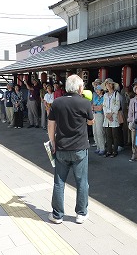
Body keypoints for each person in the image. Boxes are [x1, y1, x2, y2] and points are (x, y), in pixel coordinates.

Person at [47, 74, 94, 224]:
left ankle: (57, 215)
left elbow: (50, 125)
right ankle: (81, 213)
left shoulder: (57, 102)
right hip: (80, 148)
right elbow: (91, 122)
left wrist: (52, 141)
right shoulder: (84, 103)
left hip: (61, 147)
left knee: (59, 182)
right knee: (82, 182)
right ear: (80, 88)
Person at [102, 78, 121, 157]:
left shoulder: (116, 94)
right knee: (108, 135)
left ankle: (115, 151)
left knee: (115, 135)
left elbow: (117, 105)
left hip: (114, 116)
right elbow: (104, 106)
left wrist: (111, 114)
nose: (108, 85)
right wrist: (107, 114)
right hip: (107, 117)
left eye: (110, 83)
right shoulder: (105, 95)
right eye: (107, 84)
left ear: (112, 85)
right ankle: (109, 150)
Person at [92, 85, 106, 155]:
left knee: (100, 131)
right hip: (94, 114)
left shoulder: (104, 97)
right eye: (96, 89)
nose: (97, 91)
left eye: (98, 89)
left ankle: (102, 148)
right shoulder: (96, 97)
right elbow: (92, 106)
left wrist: (94, 107)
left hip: (100, 115)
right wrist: (95, 107)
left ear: (102, 90)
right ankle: (98, 147)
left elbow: (100, 108)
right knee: (95, 131)